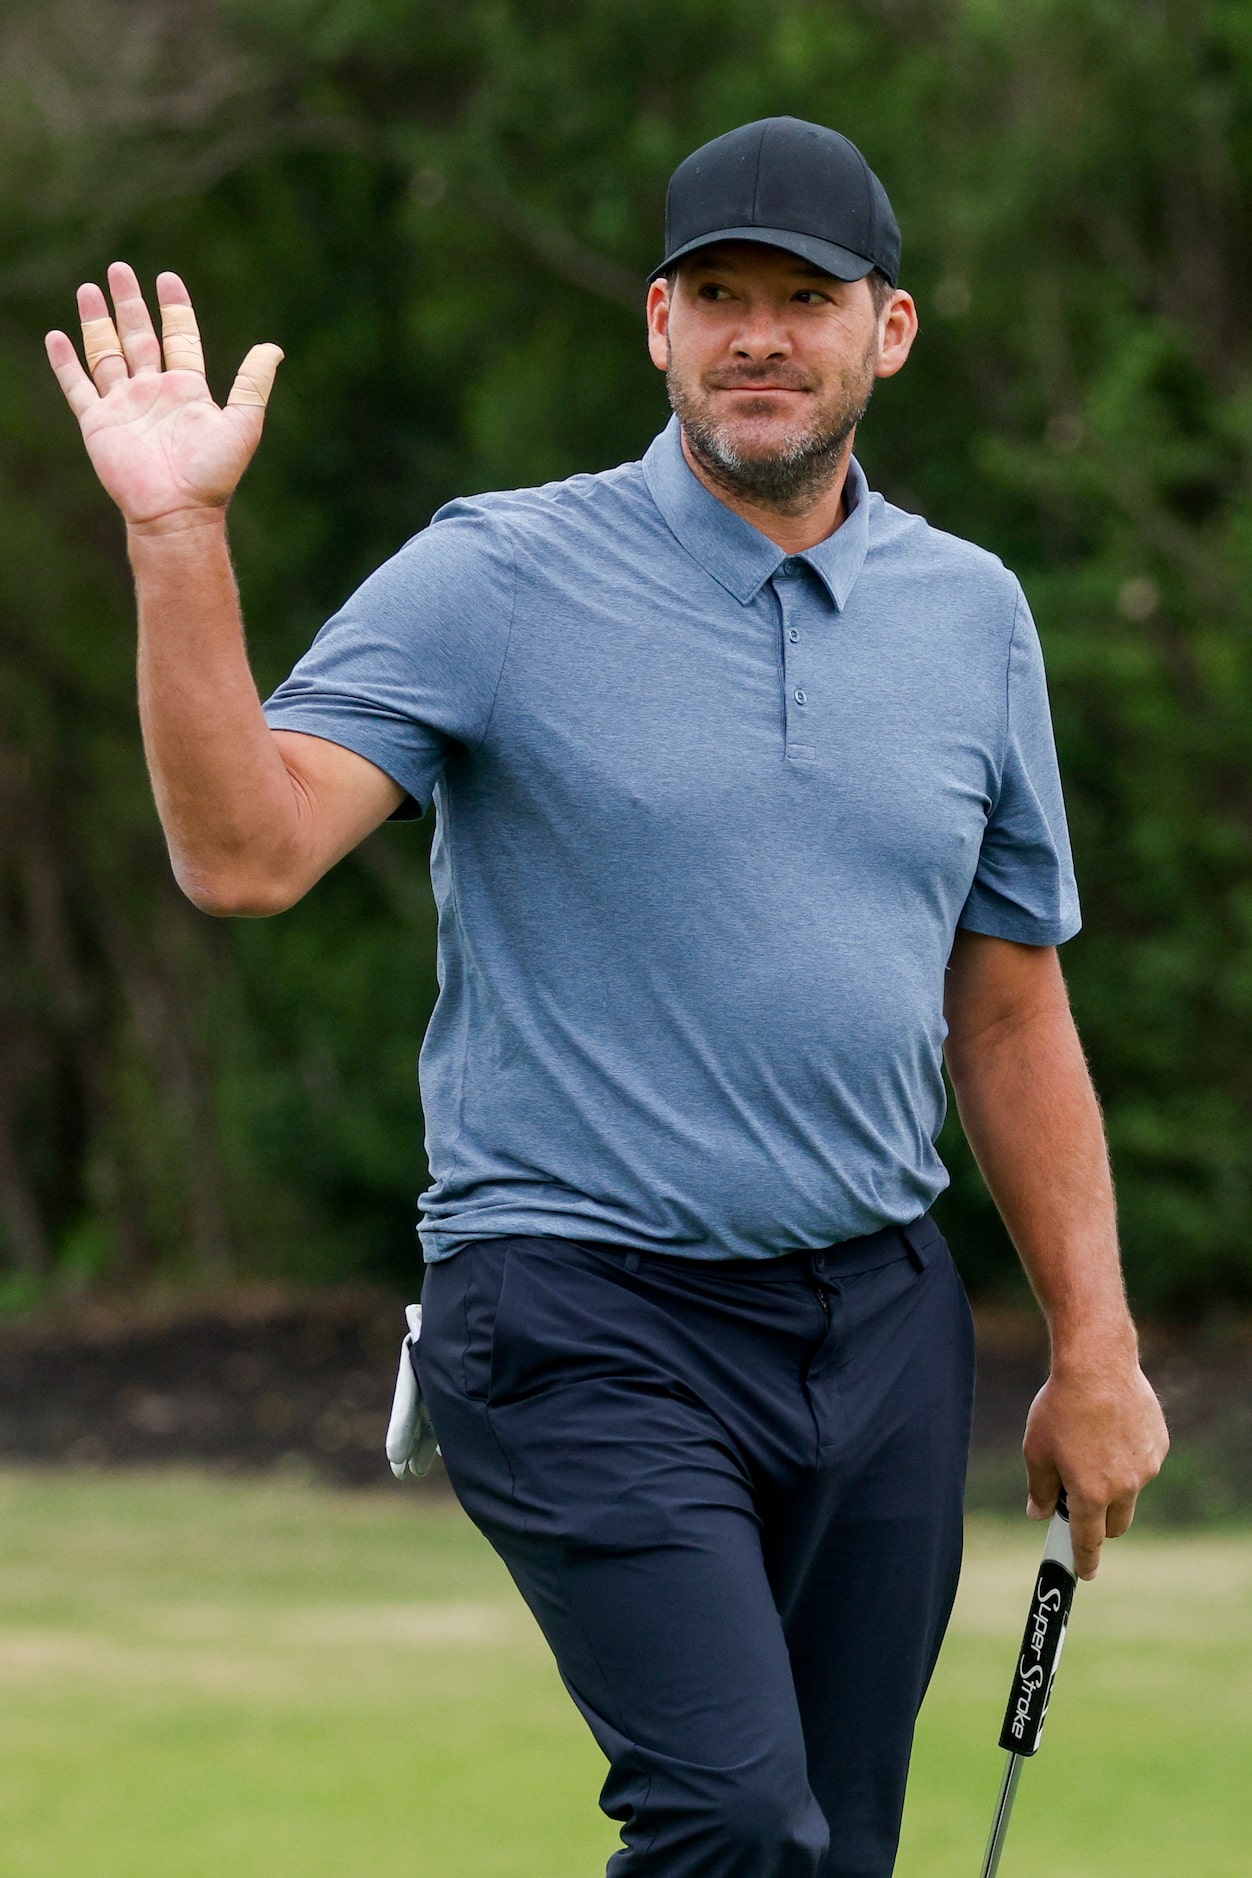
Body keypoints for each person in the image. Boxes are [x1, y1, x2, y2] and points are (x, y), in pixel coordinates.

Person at [47, 115, 1167, 1878]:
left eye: (806, 298)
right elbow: (243, 853)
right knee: (731, 1819)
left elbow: (1012, 1011)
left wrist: (1094, 1345)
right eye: (717, 294)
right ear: (657, 324)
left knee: (834, 1846)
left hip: (878, 1322)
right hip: (579, 1313)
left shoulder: (976, 617)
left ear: (891, 331)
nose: (758, 335)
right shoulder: (497, 575)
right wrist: (180, 535)